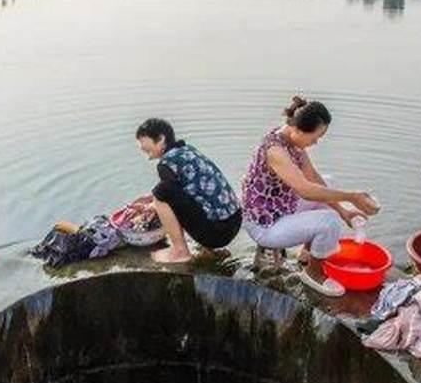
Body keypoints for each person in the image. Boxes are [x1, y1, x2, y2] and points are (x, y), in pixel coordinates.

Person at [241, 96, 380, 297]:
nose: (316, 142)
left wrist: (344, 211)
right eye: (315, 137)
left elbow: (312, 177)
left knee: (327, 183)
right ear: (297, 130)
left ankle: (307, 253)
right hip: (265, 224)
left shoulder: (292, 140)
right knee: (328, 221)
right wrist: (352, 197)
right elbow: (305, 190)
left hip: (279, 207)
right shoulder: (275, 150)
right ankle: (313, 274)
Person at [136, 118, 242, 263]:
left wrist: (155, 202)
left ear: (161, 139)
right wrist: (151, 200)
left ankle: (180, 251)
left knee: (160, 192)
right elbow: (191, 188)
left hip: (217, 234)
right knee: (160, 193)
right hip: (234, 221)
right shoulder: (187, 150)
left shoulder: (166, 164)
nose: (141, 146)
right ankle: (206, 250)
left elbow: (166, 193)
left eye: (144, 143)